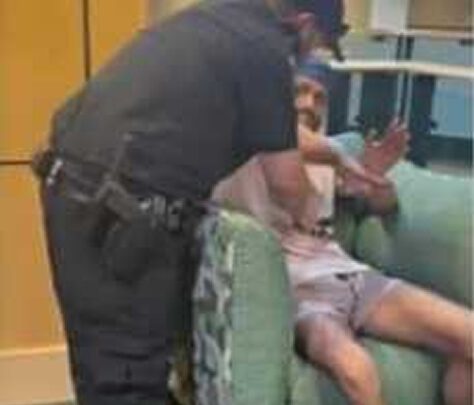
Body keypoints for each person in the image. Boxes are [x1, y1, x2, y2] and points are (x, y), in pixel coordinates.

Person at [32, 0, 350, 403]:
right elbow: (287, 184)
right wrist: (313, 216)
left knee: (100, 364)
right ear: (303, 24)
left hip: (71, 185)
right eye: (315, 45)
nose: (306, 58)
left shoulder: (215, 21)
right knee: (127, 378)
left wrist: (341, 157)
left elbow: (280, 130)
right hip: (123, 211)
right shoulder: (267, 51)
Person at [212, 59, 473, 405]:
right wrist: (336, 155)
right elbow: (268, 131)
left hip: (350, 277)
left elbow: (383, 205)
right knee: (356, 367)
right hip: (296, 290)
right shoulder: (245, 150)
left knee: (468, 336)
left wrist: (375, 181)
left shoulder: (329, 156)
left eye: (319, 97)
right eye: (299, 92)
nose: (310, 104)